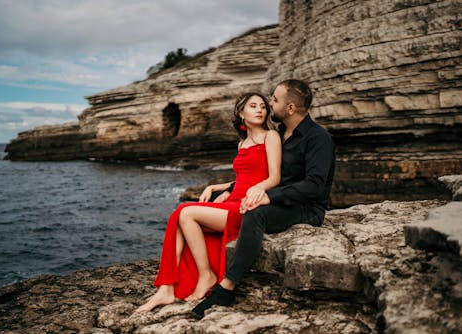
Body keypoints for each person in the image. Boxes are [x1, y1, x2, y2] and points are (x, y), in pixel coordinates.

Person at [191, 79, 336, 319]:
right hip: (282, 200)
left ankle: (226, 288)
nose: (269, 104)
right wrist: (230, 188)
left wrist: (270, 197)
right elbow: (265, 173)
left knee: (254, 212)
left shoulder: (318, 138)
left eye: (275, 100)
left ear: (290, 109)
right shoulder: (279, 134)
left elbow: (315, 186)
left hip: (307, 208)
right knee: (237, 205)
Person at [135, 92, 282, 312]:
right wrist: (216, 187)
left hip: (248, 207)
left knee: (185, 212)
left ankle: (206, 276)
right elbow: (243, 177)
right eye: (253, 106)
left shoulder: (271, 137)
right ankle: (166, 288)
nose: (260, 109)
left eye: (263, 106)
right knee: (179, 218)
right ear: (241, 113)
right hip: (232, 200)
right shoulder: (242, 144)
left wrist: (258, 189)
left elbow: (274, 177)